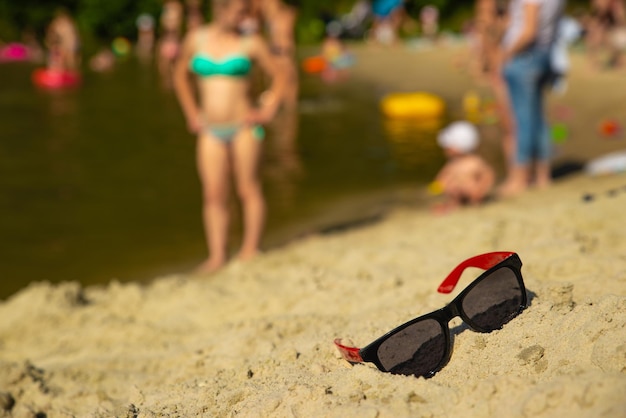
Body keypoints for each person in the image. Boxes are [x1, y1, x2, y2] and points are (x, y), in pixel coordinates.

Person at [173, 0, 285, 273]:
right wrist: (191, 112)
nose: (244, 17)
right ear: (220, 8)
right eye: (239, 11)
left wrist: (267, 110)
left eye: (245, 11)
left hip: (244, 126)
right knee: (213, 194)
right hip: (210, 129)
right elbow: (179, 76)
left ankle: (250, 249)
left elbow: (280, 76)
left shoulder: (251, 43)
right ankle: (217, 256)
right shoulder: (195, 39)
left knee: (247, 188)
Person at [498, 0, 565, 196]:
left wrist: (505, 54)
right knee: (538, 119)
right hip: (545, 55)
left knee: (523, 120)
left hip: (525, 57)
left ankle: (519, 178)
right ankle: (543, 176)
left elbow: (529, 31)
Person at [431, 121, 495, 212]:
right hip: (456, 194)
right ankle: (453, 204)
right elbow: (442, 177)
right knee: (451, 189)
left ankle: (475, 203)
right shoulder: (452, 163)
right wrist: (442, 184)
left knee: (470, 188)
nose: (445, 149)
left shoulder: (475, 162)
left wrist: (480, 189)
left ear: (459, 146)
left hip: (472, 193)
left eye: (448, 146)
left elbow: (488, 175)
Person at [259, 0, 298, 109]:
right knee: (275, 101)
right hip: (274, 59)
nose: (264, 6)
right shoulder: (269, 20)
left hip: (284, 58)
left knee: (289, 102)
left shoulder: (286, 16)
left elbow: (287, 43)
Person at [158, 0, 184, 87]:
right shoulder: (167, 6)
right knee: (165, 77)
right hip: (166, 43)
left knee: (178, 75)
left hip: (175, 43)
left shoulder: (177, 6)